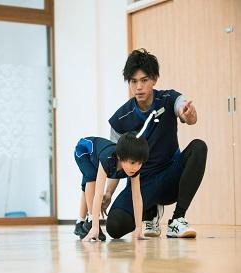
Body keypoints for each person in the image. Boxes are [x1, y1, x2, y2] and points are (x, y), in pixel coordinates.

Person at [106, 48, 208, 239]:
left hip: (171, 175)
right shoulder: (121, 118)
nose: (139, 87)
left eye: (144, 80)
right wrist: (108, 193)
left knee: (198, 147)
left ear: (154, 79)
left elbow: (183, 109)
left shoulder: (168, 99)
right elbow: (115, 162)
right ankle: (150, 212)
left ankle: (177, 220)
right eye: (134, 81)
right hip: (141, 183)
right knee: (114, 226)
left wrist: (189, 115)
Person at [73, 132, 149, 242]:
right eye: (132, 162)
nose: (136, 167)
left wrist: (138, 228)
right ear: (119, 157)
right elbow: (98, 194)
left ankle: (79, 222)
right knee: (90, 178)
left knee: (88, 182)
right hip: (84, 149)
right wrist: (95, 226)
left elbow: (137, 196)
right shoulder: (107, 159)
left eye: (140, 163)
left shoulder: (134, 169)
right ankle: (90, 222)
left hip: (95, 154)